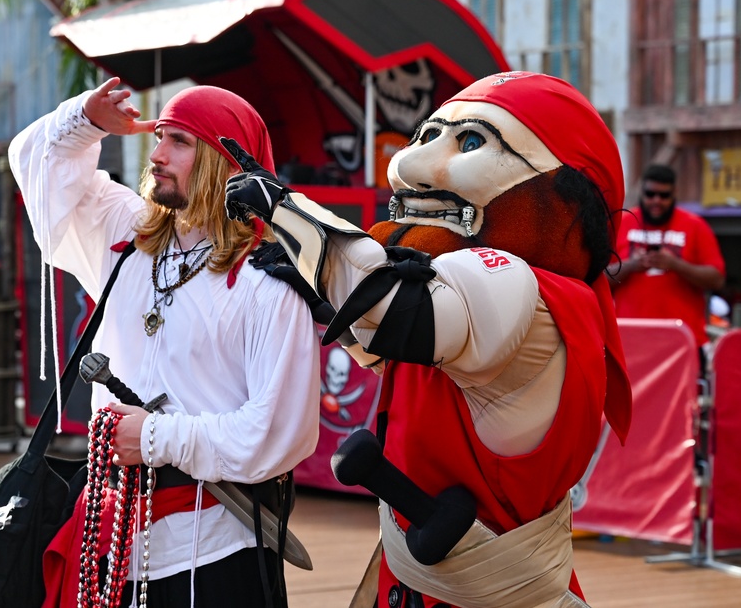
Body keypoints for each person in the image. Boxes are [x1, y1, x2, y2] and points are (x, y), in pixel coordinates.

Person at [224, 71, 632, 607]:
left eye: (471, 142)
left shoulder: (522, 287)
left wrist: (286, 212)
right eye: (425, 137)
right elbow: (390, 351)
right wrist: (319, 288)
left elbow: (401, 314)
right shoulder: (484, 298)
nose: (410, 168)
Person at [9, 76, 320, 607]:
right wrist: (85, 119)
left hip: (216, 548)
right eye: (160, 137)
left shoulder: (266, 283)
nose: (156, 155)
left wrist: (156, 438)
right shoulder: (127, 237)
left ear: (224, 162)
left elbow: (278, 434)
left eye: (180, 141)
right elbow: (35, 164)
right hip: (112, 543)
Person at [606, 164, 726, 370]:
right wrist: (631, 265)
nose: (656, 201)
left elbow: (717, 279)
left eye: (664, 195)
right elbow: (597, 279)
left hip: (681, 342)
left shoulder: (695, 225)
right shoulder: (621, 222)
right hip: (630, 341)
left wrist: (675, 265)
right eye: (650, 194)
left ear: (674, 193)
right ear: (641, 191)